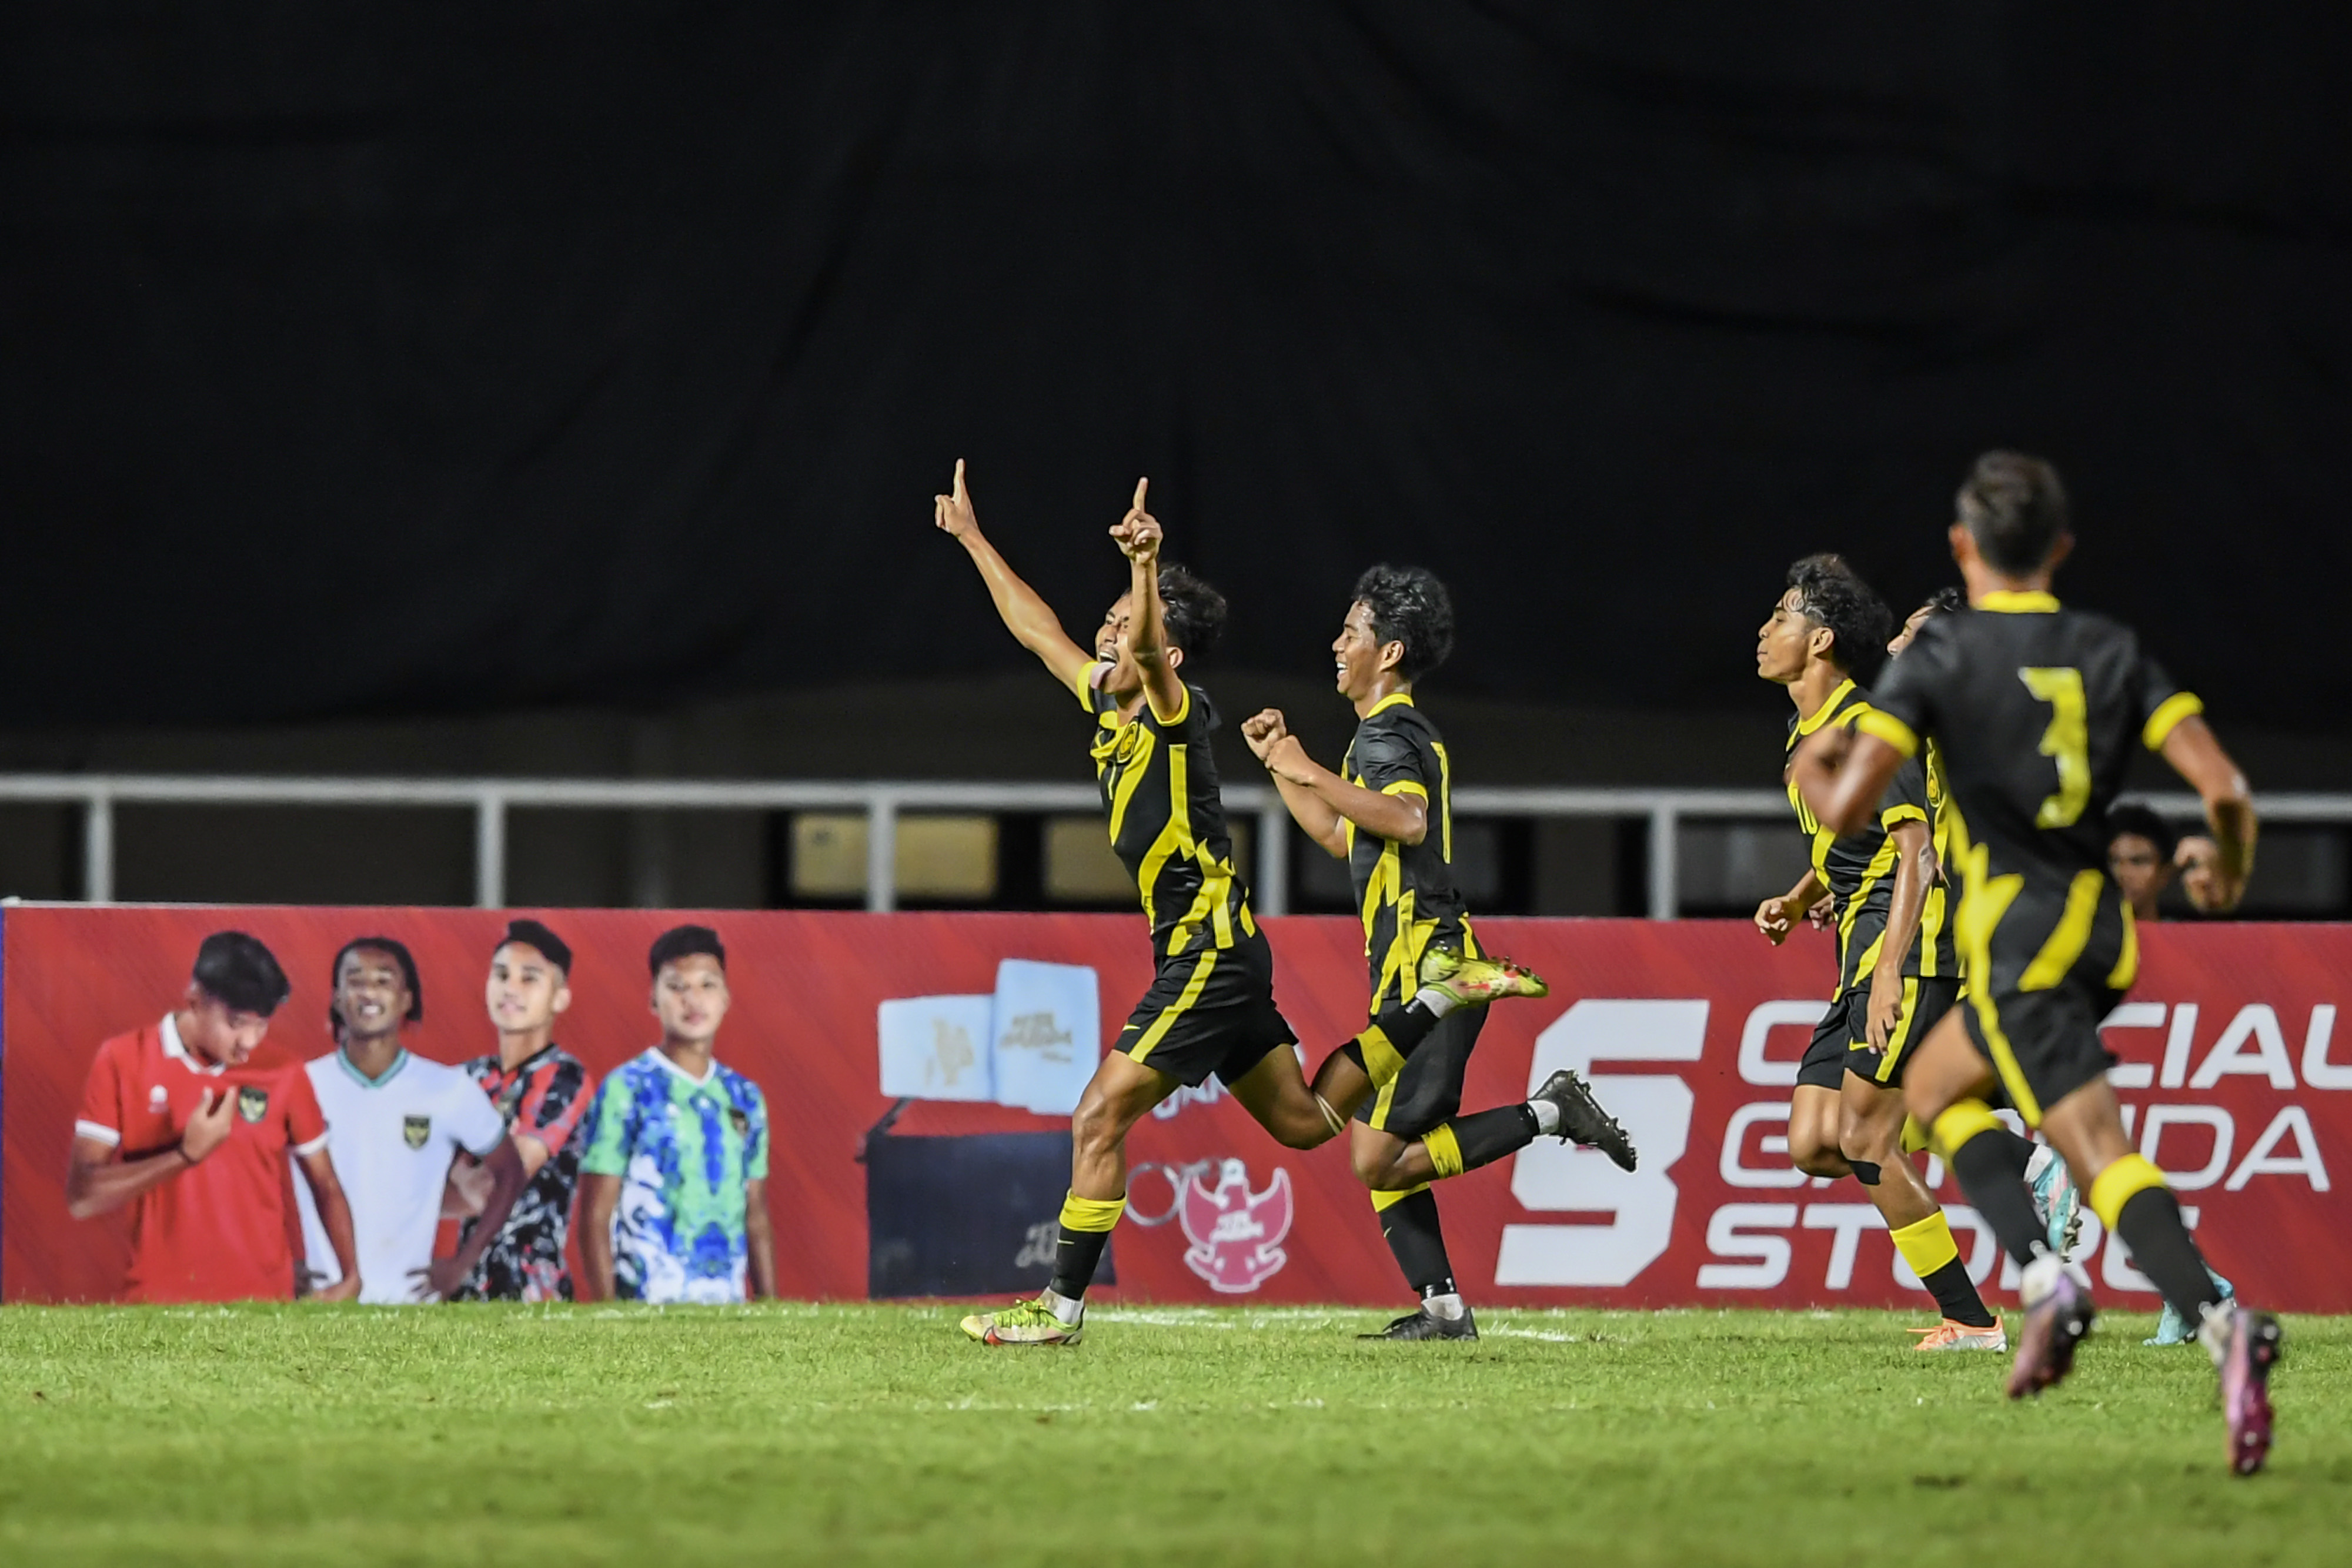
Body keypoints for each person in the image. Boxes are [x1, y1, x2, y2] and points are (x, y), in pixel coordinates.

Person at [935, 463, 1562, 1348]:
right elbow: (1038, 631)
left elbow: (1149, 653)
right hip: (1218, 952)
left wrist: (1146, 569)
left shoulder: (1169, 709)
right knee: (1310, 1122)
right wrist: (972, 539)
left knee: (1097, 1112)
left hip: (1208, 954)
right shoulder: (1108, 709)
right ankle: (1436, 999)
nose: (1103, 639)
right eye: (1106, 628)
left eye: (1117, 628)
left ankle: (1060, 1310)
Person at [1794, 450, 2278, 1473]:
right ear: (2061, 548)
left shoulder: (1937, 664)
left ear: (1963, 548)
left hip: (2018, 931)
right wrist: (2226, 873)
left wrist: (1816, 763)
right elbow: (2225, 787)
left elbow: (1852, 810)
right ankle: (2213, 1318)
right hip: (2104, 929)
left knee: (1954, 1112)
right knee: (1967, 1100)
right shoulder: (2108, 648)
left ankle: (2053, 1278)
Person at [1242, 564, 1635, 1341]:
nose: (1336, 643)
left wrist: (1308, 767)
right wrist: (1283, 764)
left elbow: (1408, 820)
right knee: (1378, 1144)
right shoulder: (1384, 735)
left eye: (1350, 631)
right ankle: (1445, 1310)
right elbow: (1339, 832)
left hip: (1435, 974)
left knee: (1373, 1155)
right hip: (1419, 970)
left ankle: (1554, 1109)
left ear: (1387, 653)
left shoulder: (1388, 733)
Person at [1751, 556, 2006, 1349]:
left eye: (1782, 616)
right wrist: (1802, 896)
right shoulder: (1809, 731)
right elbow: (1855, 842)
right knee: (1815, 1142)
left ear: (1819, 639)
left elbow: (1915, 852)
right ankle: (2004, 1141)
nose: (1765, 629)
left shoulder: (1869, 725)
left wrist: (1891, 964)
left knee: (1864, 1139)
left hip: (1906, 948)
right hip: (1859, 946)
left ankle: (1970, 1319)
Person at [68, 931, 362, 1303]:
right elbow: (82, 1197)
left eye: (262, 1025)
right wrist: (185, 1156)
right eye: (237, 1023)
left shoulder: (285, 1071)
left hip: (263, 1306)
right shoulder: (123, 1060)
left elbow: (326, 1183)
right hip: (156, 1304)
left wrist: (352, 1276)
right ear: (194, 1000)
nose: (250, 1042)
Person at [295, 937, 529, 1304]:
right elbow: (250, 1173)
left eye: (384, 981)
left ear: (406, 999)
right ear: (337, 998)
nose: (369, 993)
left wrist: (462, 1264)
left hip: (411, 1307)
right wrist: (279, 1264)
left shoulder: (448, 1088)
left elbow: (511, 1173)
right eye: (355, 981)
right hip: (324, 1303)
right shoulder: (303, 1084)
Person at [577, 925, 776, 1304]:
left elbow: (757, 1216)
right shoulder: (627, 1088)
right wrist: (608, 1317)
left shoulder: (745, 1098)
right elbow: (595, 1216)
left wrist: (771, 1311)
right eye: (677, 987)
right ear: (653, 999)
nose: (693, 1000)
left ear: (726, 998)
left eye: (707, 985)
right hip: (645, 1311)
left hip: (727, 1313)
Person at [447, 919, 598, 1302]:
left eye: (529, 978)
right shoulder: (466, 1077)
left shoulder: (564, 1077)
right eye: (501, 975)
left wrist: (454, 1175)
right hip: (463, 1290)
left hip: (531, 1290)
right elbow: (402, 1171)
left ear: (560, 997)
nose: (510, 988)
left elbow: (494, 1186)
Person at [2107, 803, 2181, 923]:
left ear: (2165, 874)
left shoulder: (2179, 938)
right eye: (2114, 861)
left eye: (2138, 862)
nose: (2123, 873)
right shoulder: (2077, 937)